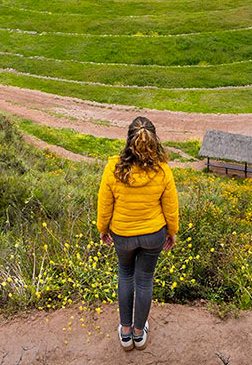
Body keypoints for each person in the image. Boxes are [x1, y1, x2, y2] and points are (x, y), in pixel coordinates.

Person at [97, 116, 179, 351]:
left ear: (128, 139)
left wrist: (103, 229)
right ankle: (138, 332)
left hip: (122, 233)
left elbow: (105, 203)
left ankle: (125, 332)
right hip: (153, 234)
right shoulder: (163, 170)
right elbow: (170, 206)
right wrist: (172, 231)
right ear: (154, 141)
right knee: (144, 280)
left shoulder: (113, 168)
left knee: (125, 275)